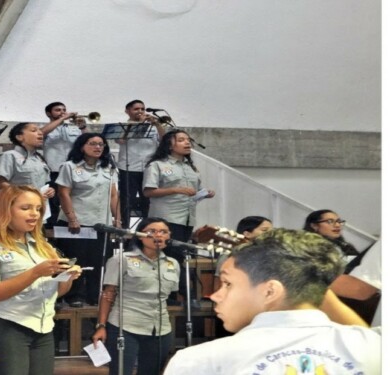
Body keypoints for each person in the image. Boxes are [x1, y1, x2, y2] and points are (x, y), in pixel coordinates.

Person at [164, 229, 380, 374]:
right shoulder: (374, 346)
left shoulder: (198, 362)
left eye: (227, 284)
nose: (216, 295)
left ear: (270, 291)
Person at [0, 185, 81, 375]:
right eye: (25, 208)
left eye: (38, 208)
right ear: (5, 210)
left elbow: (56, 292)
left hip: (43, 330)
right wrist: (34, 273)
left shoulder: (43, 246)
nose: (34, 214)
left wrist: (67, 277)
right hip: (3, 328)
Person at [92, 218, 179, 375]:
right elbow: (107, 295)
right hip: (125, 326)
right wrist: (101, 325)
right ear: (140, 235)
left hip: (160, 328)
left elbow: (168, 295)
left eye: (163, 232)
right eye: (152, 231)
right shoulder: (122, 259)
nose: (158, 235)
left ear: (169, 236)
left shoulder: (173, 263)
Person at [143, 128, 214, 305]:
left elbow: (192, 194)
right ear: (169, 144)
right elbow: (148, 191)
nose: (187, 143)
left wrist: (203, 194)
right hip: (166, 219)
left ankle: (177, 296)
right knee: (167, 258)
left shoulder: (191, 168)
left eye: (188, 140)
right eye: (181, 140)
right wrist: (176, 189)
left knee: (180, 259)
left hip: (187, 218)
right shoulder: (157, 165)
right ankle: (175, 296)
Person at [55, 132, 119, 306]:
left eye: (101, 144)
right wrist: (72, 218)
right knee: (75, 259)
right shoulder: (69, 166)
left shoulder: (109, 168)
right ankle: (73, 294)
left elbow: (113, 195)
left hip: (100, 223)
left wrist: (117, 219)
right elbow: (63, 193)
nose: (98, 147)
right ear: (82, 146)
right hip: (77, 221)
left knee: (98, 260)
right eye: (92, 143)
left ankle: (93, 294)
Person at [117, 100, 165, 229]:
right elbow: (121, 140)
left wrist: (158, 124)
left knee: (148, 200)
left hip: (149, 167)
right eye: (136, 109)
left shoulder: (153, 127)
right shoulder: (122, 126)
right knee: (127, 200)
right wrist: (137, 124)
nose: (140, 112)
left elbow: (164, 140)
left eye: (142, 109)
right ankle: (125, 228)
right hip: (128, 167)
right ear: (127, 111)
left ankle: (147, 228)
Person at [41, 102, 87, 226]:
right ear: (48, 113)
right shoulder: (46, 128)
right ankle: (53, 227)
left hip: (76, 168)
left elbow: (88, 141)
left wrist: (83, 127)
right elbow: (41, 134)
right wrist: (62, 118)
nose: (62, 112)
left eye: (64, 110)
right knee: (54, 200)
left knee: (76, 198)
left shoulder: (74, 128)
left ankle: (73, 223)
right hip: (54, 168)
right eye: (58, 110)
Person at [0, 122, 54, 201]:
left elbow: (44, 184)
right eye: (33, 130)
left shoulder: (39, 159)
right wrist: (24, 194)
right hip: (17, 206)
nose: (40, 133)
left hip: (39, 207)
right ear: (19, 137)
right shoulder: (10, 156)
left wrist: (50, 190)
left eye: (40, 130)